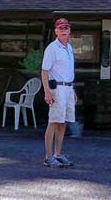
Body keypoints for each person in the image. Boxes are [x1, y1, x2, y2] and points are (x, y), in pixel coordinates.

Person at [41, 18, 77, 168]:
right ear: (56, 31)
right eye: (60, 28)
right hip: (57, 89)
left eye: (66, 28)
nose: (63, 30)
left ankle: (58, 153)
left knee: (63, 122)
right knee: (54, 121)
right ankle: (48, 157)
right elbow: (44, 71)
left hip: (68, 88)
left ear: (69, 30)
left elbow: (68, 71)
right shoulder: (52, 48)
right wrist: (47, 92)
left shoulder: (69, 48)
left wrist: (73, 89)